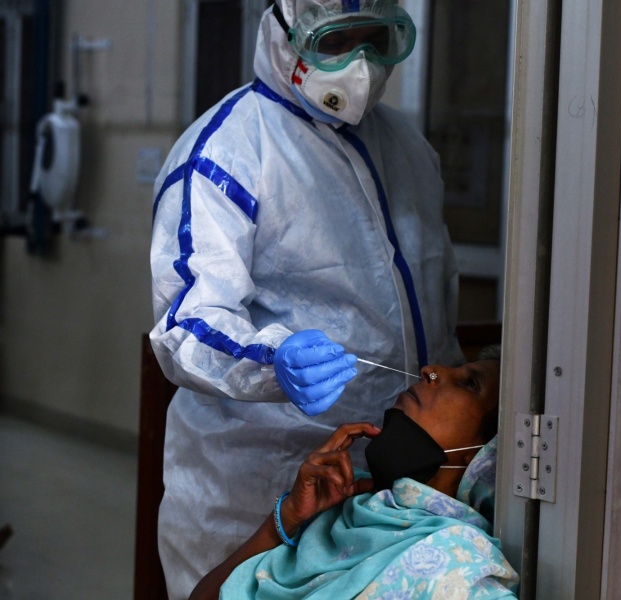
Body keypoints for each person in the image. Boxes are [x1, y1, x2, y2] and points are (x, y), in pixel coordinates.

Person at [149, 1, 462, 597]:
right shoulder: (228, 152)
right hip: (251, 488)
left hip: (385, 489)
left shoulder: (408, 149)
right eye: (341, 41)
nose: (363, 66)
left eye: (378, 41)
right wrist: (274, 361)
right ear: (289, 34)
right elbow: (185, 324)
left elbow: (435, 294)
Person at [189, 354, 518, 599]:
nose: (430, 371)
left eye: (469, 383)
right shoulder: (350, 510)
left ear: (487, 452)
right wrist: (287, 519)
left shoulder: (462, 572)